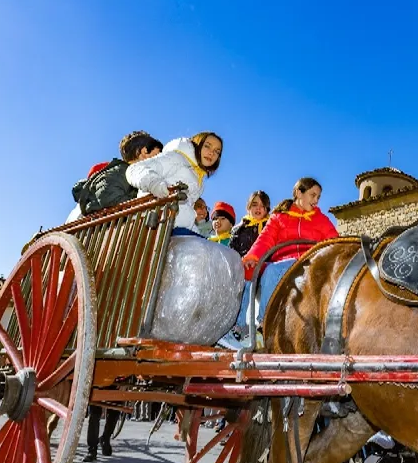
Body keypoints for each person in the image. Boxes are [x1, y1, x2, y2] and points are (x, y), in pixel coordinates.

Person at [239, 178, 338, 335]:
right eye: (313, 195)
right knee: (254, 269)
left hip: (309, 264)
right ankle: (244, 326)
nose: (316, 200)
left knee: (273, 270)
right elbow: (265, 239)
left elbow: (335, 243)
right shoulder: (279, 217)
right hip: (281, 265)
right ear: (299, 193)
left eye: (318, 197)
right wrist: (252, 256)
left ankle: (266, 321)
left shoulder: (321, 220)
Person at [125, 132, 223, 236]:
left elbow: (186, 209)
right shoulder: (176, 158)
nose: (212, 153)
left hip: (178, 227)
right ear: (197, 145)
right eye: (207, 146)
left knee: (208, 244)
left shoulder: (199, 181)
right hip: (156, 224)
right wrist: (155, 184)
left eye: (217, 151)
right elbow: (134, 169)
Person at [67, 131, 164, 222]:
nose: (158, 161)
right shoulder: (121, 171)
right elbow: (108, 196)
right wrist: (141, 205)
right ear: (144, 152)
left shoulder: (130, 175)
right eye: (157, 155)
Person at [229, 191, 271, 256]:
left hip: (265, 261)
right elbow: (232, 252)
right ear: (248, 207)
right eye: (254, 205)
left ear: (267, 209)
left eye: (262, 205)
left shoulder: (271, 227)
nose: (258, 208)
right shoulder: (239, 229)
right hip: (242, 261)